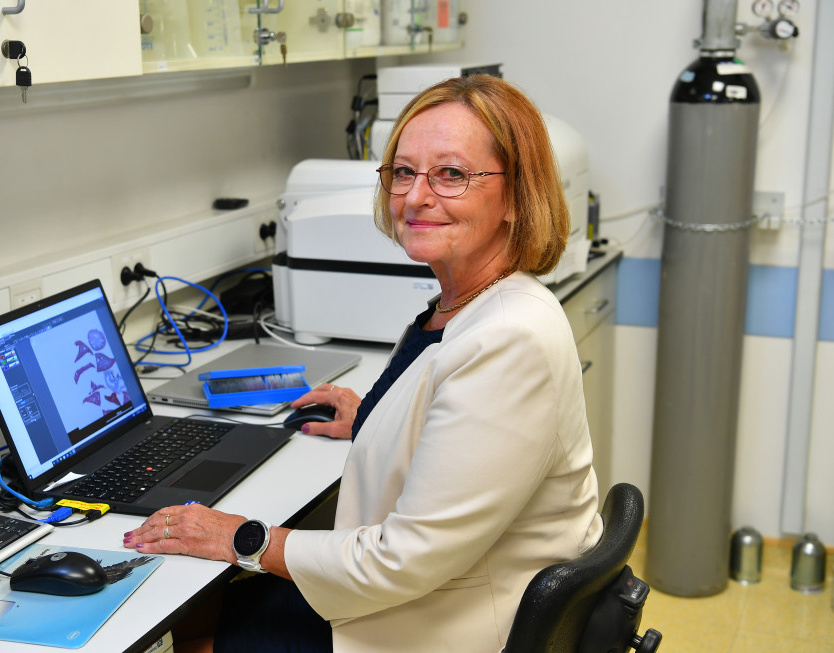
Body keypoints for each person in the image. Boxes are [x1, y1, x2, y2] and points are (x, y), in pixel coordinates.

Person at [123, 74, 602, 652]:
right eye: (404, 172)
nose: (417, 195)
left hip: (447, 625)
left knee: (204, 612)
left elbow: (401, 562)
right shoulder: (466, 302)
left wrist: (243, 538)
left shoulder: (510, 338)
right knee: (219, 595)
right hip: (435, 591)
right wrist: (377, 419)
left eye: (451, 174)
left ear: (516, 197)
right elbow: (453, 413)